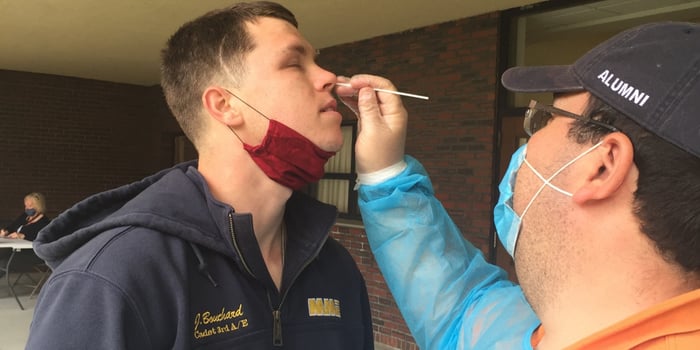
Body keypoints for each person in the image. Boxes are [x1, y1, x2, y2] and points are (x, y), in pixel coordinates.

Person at [27, 2, 373, 349]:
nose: (330, 77)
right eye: (294, 63)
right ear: (225, 105)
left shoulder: (334, 267)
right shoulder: (109, 279)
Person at [338, 21, 700, 349]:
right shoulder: (546, 329)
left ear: (602, 166)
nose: (527, 143)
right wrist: (385, 171)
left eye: (545, 118)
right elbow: (461, 307)